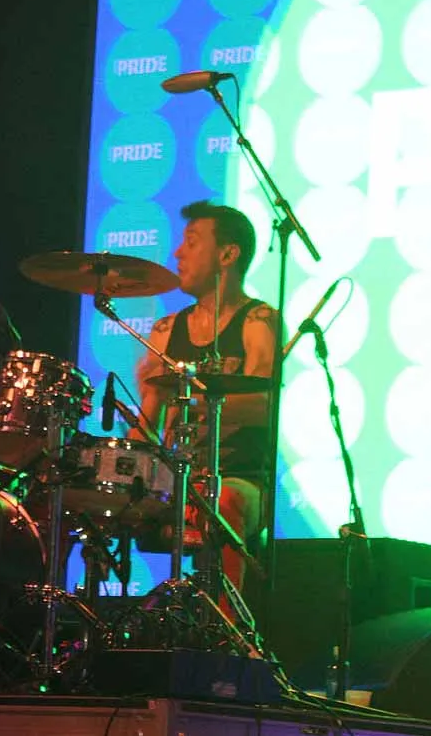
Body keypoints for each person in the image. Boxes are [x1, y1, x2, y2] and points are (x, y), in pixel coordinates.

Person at [128, 200, 279, 600]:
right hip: (174, 481)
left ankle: (228, 627)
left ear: (227, 255)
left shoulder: (258, 320)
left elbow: (265, 407)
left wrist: (193, 398)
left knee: (223, 500)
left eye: (192, 242)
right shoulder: (166, 330)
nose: (178, 252)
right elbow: (148, 422)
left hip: (241, 478)